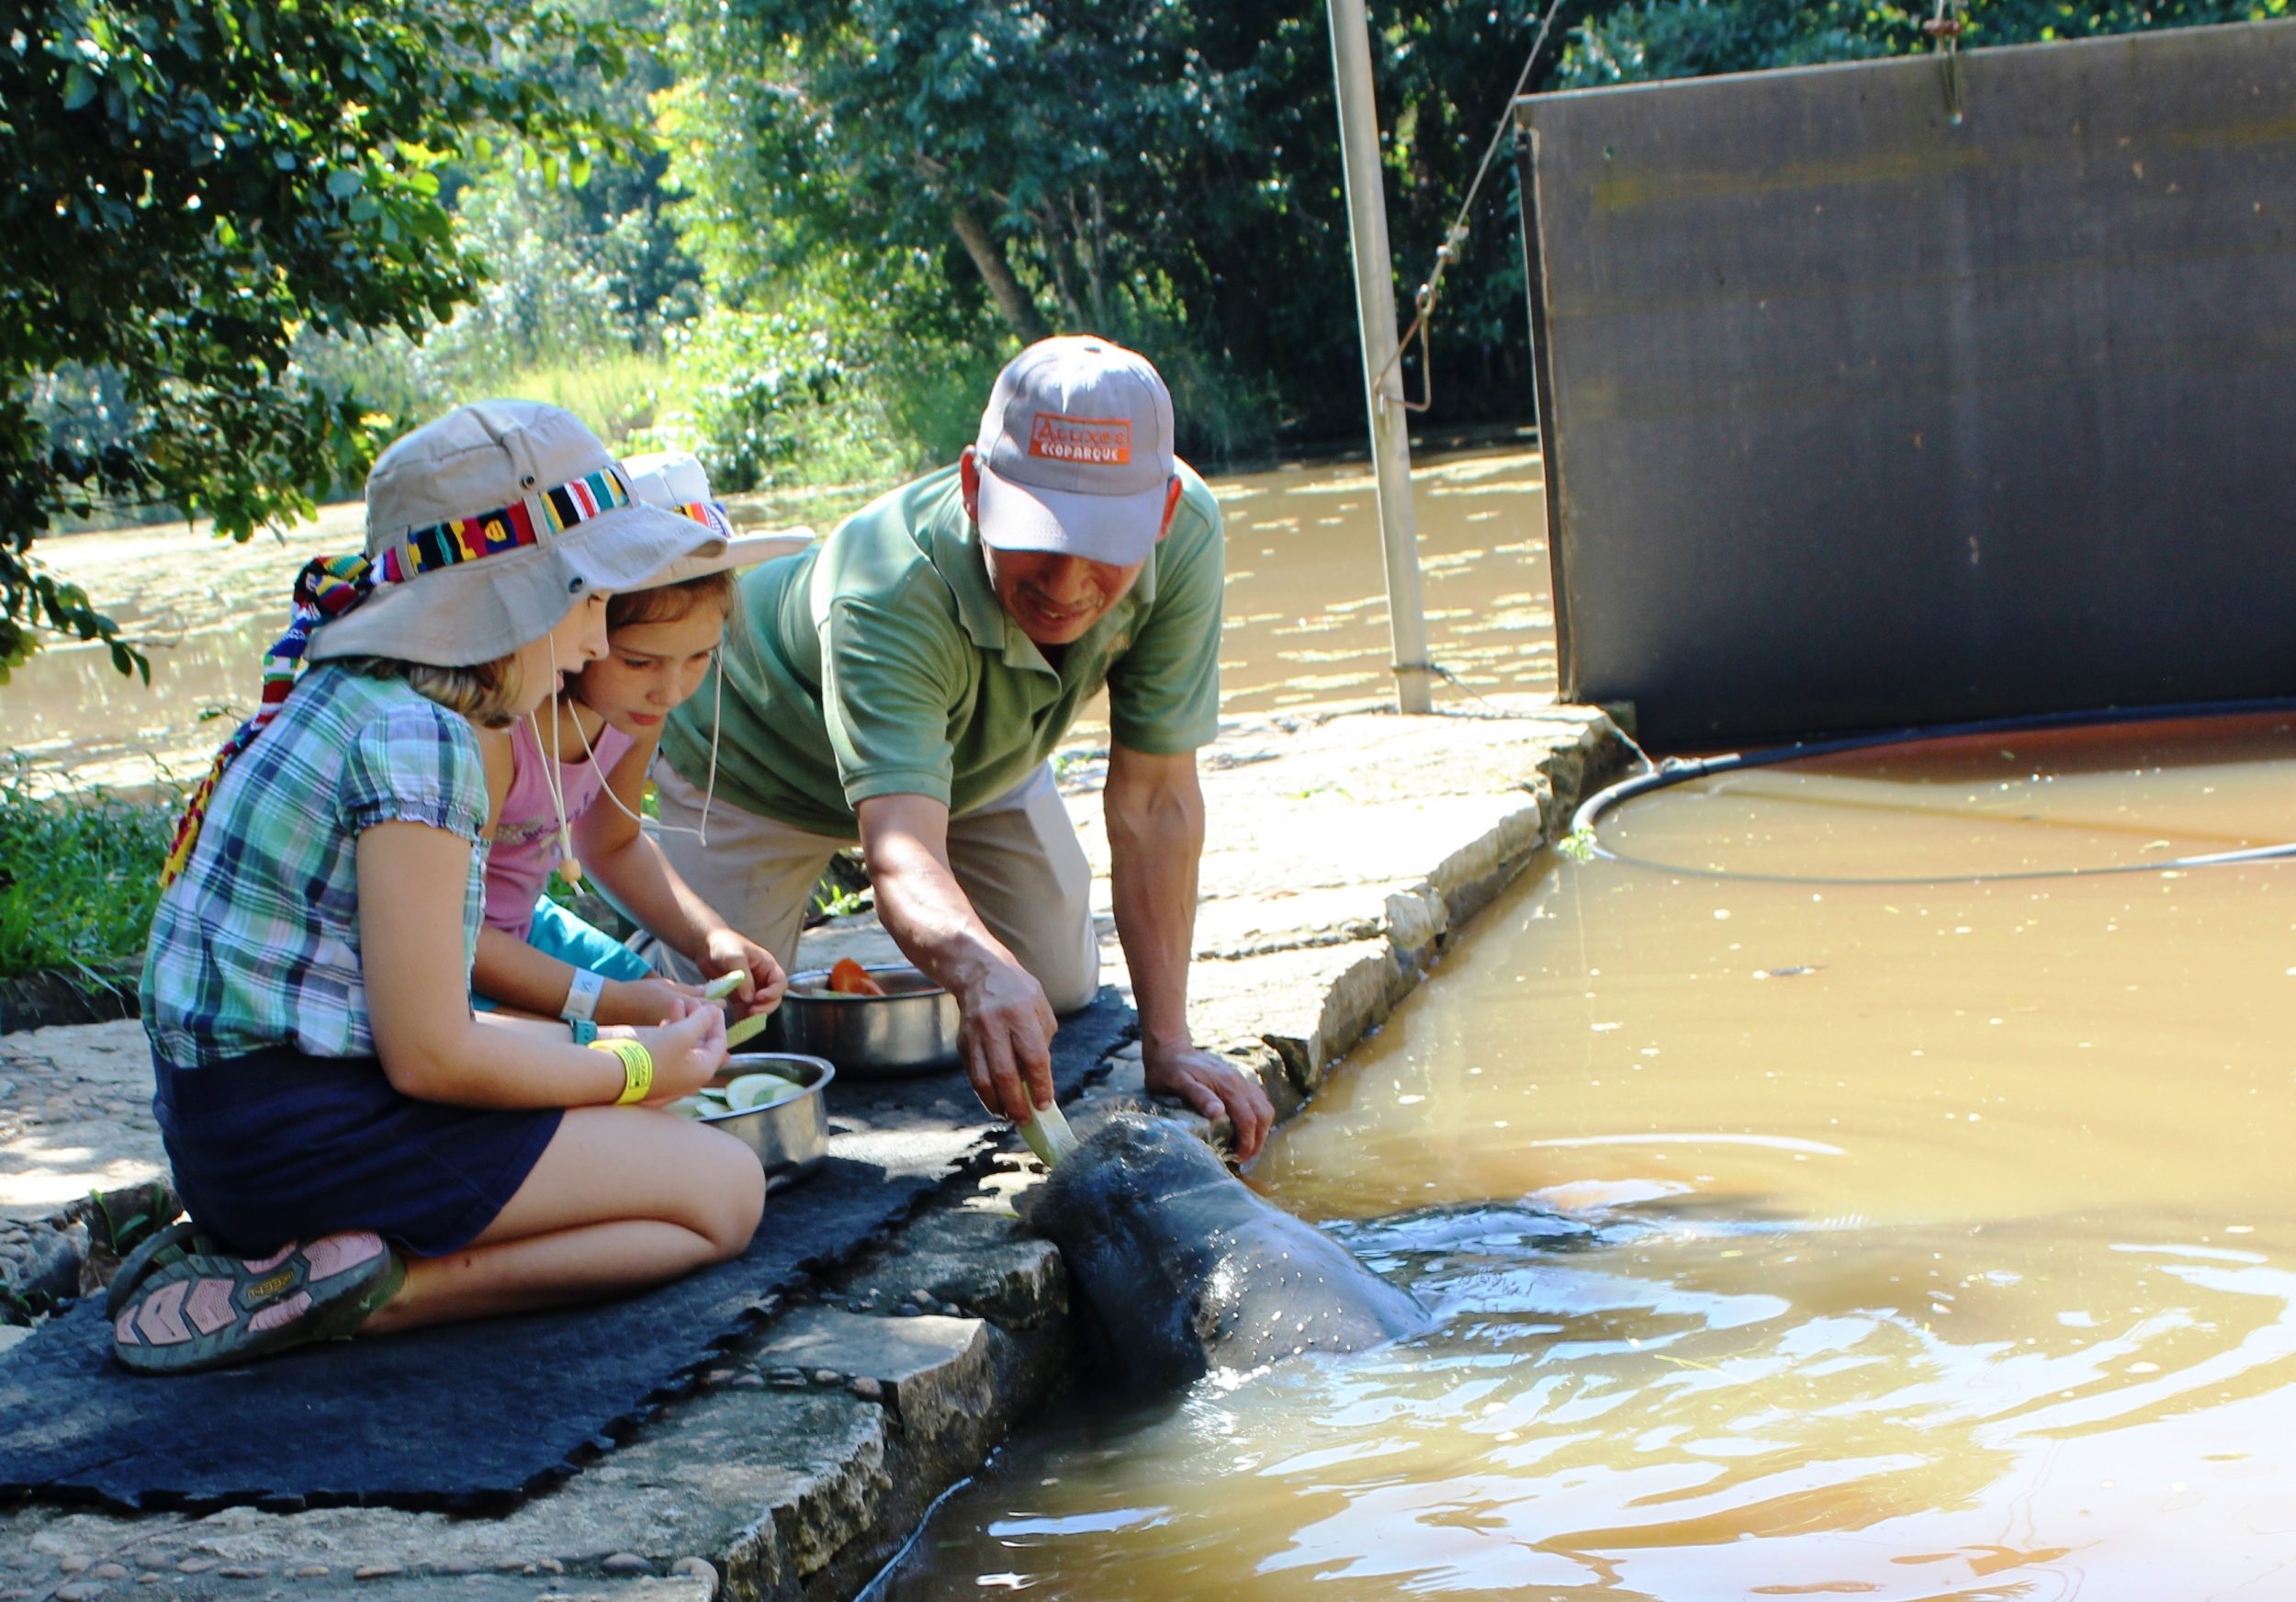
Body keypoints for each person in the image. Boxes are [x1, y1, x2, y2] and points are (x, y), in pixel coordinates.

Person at [114, 401, 764, 1375]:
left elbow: (403, 1020)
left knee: (615, 1096)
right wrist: (636, 1069)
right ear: (522, 595)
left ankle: (309, 1258)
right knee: (726, 1194)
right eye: (591, 597)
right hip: (302, 1141)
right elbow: (430, 1057)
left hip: (251, 1126)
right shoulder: (424, 738)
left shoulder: (375, 692)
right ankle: (364, 1291)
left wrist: (616, 1047)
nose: (596, 637)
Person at [651, 335, 1277, 1158]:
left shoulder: (1188, 532)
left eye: (1103, 548)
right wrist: (977, 969)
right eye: (1039, 538)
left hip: (975, 770)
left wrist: (1169, 1045)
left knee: (1054, 983)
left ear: (1160, 514)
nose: (1064, 586)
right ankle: (638, 925)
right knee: (714, 1042)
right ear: (975, 485)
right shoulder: (886, 583)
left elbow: (1156, 798)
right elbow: (901, 853)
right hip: (753, 762)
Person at [470, 451, 808, 1030]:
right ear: (581, 621)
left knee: (675, 1022)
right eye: (640, 660)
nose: (671, 690)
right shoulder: (497, 733)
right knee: (616, 1044)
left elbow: (613, 843)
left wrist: (711, 937)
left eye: (699, 657)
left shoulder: (630, 712)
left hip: (525, 930)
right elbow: (445, 932)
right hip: (455, 957)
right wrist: (606, 1006)